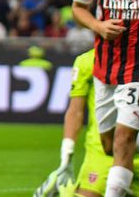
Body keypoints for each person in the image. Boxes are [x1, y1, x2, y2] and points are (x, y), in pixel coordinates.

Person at [71, 0, 139, 197]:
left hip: (136, 69)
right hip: (105, 68)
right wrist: (98, 26)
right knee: (110, 144)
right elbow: (78, 7)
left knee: (124, 139)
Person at [33, 48, 139, 197]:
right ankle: (65, 190)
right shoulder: (88, 60)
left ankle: (65, 191)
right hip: (103, 153)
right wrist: (67, 154)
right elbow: (76, 111)